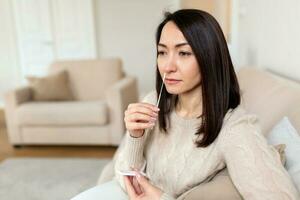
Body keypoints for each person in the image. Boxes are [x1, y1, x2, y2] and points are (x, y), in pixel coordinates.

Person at [71, 9, 299, 200]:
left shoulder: (234, 129)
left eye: (183, 53)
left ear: (209, 57)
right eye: (162, 52)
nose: (167, 66)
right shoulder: (152, 101)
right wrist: (135, 137)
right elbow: (123, 174)